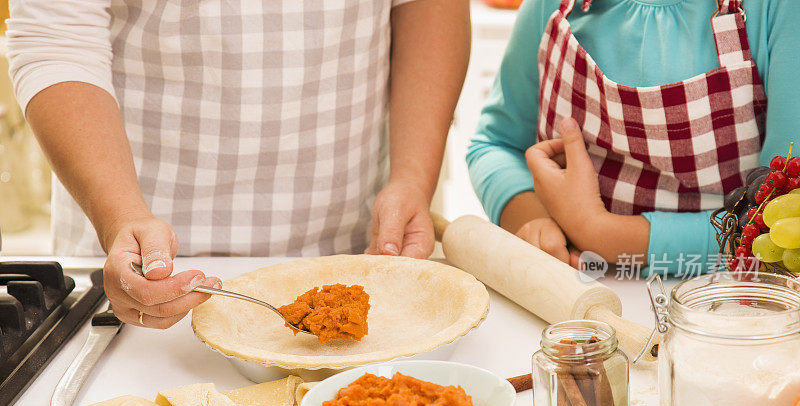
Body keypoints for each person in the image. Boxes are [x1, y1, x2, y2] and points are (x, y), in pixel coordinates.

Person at [7, 0, 470, 328]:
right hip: (136, 258)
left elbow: (431, 7)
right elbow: (58, 40)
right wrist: (121, 217)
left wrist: (412, 177)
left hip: (354, 245)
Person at [467, 0, 797, 276]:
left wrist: (602, 232)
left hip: (726, 308)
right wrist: (532, 220)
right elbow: (494, 144)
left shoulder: (778, 9)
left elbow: (780, 217)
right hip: (568, 292)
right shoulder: (550, 6)